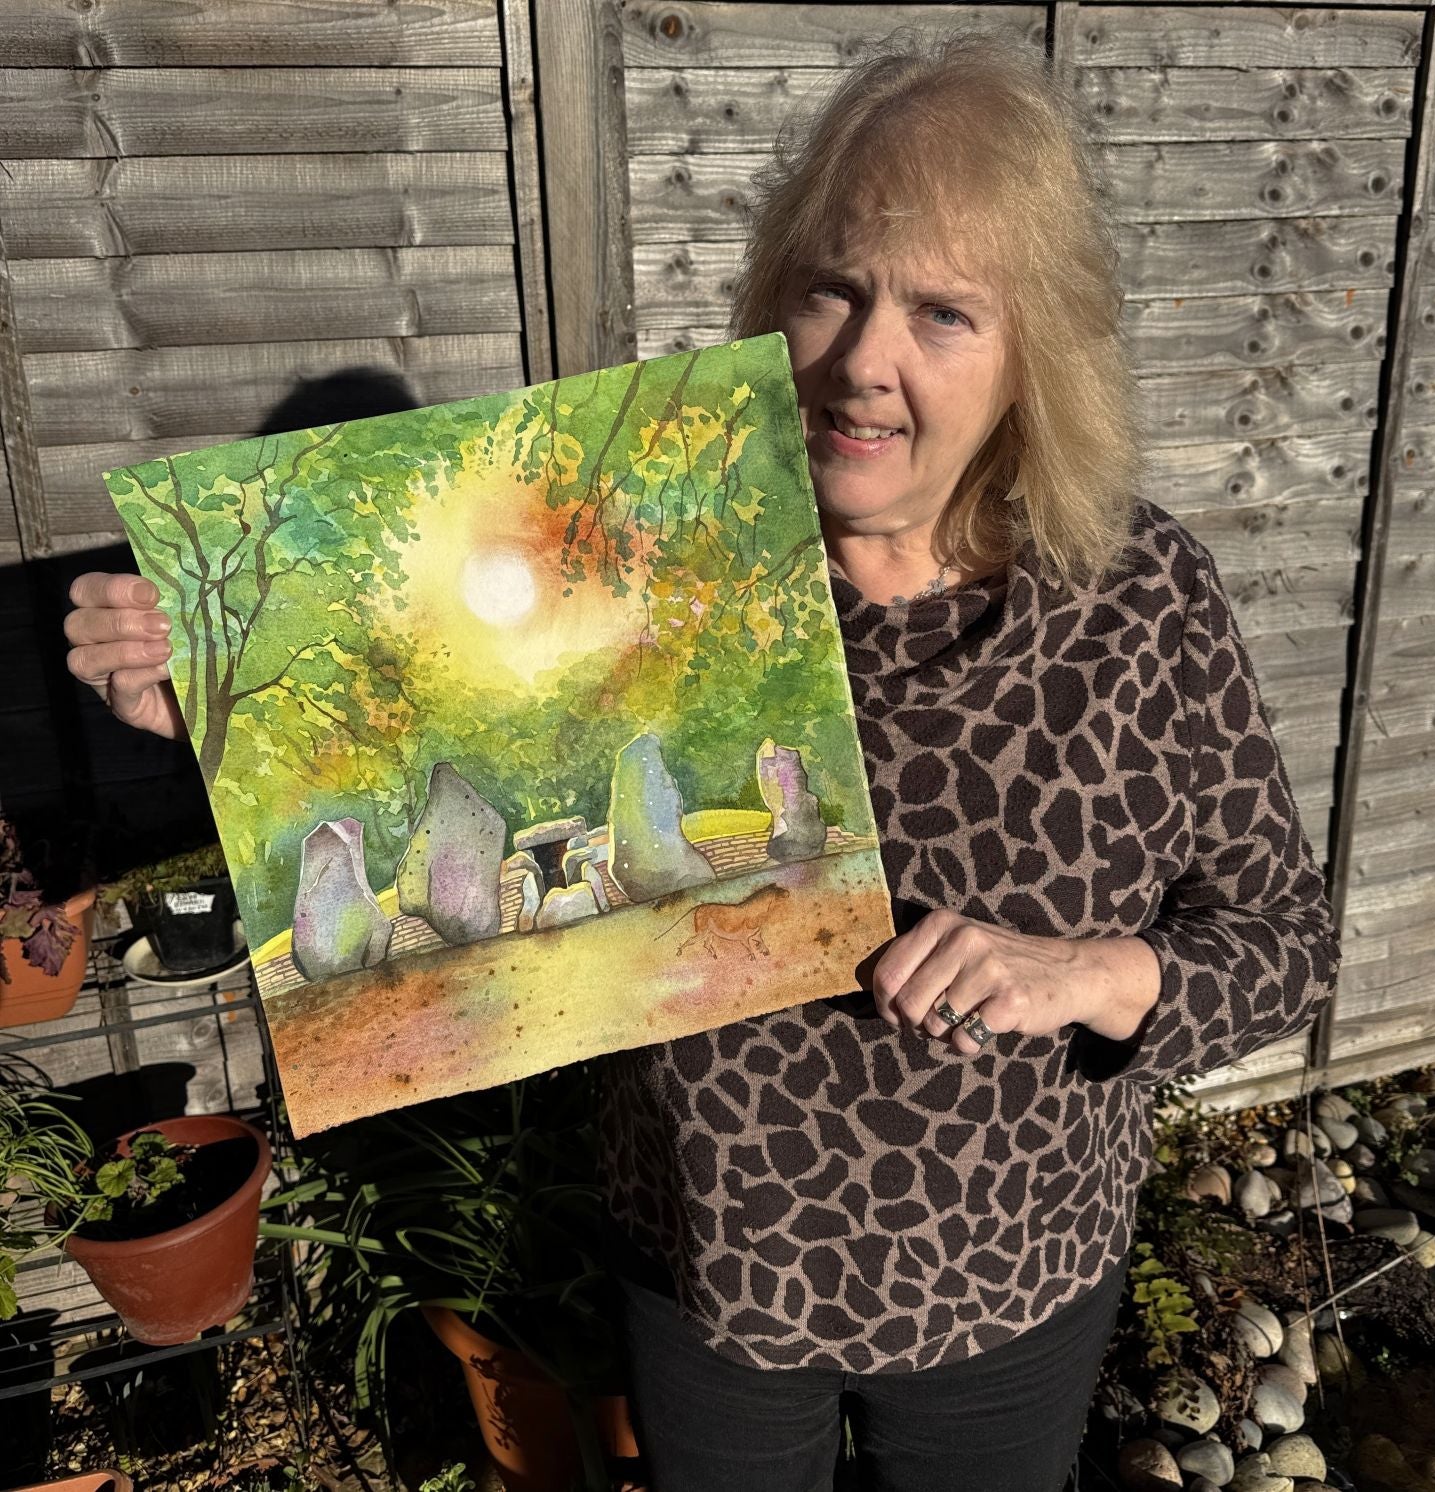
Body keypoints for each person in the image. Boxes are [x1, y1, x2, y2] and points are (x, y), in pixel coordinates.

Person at [65, 36, 1340, 1492]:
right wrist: (221, 700)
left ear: (1031, 352)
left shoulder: (1137, 596)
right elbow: (425, 790)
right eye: (835, 289)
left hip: (1014, 1289)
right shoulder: (653, 570)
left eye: (942, 314)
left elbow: (1288, 947)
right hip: (711, 1279)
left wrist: (1091, 975)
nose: (867, 360)